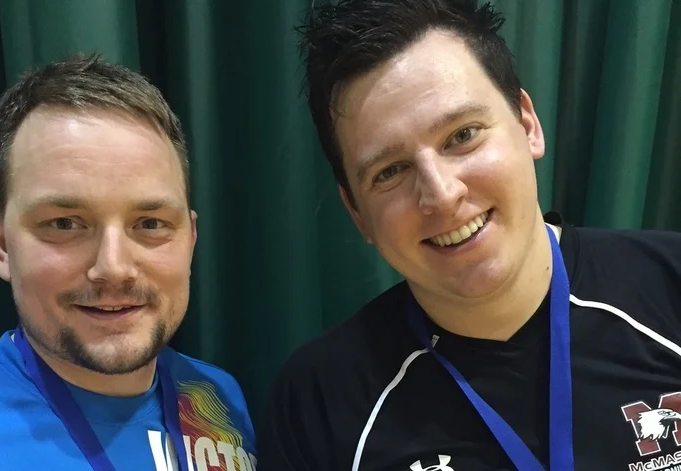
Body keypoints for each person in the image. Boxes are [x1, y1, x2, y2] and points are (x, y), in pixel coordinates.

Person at [256, 1, 681, 470]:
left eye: (463, 135)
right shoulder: (317, 403)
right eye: (390, 171)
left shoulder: (670, 287)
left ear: (527, 124)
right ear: (357, 213)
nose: (441, 195)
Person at [0, 55, 257, 471]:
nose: (114, 268)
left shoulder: (219, 399)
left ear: (190, 240)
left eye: (150, 223)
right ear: (0, 243)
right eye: (64, 224)